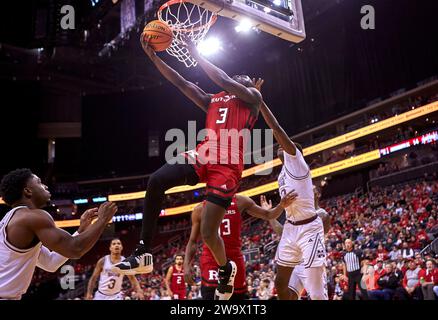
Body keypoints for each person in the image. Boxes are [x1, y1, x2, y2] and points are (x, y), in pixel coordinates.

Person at [114, 29, 263, 301]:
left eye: (245, 79)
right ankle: (144, 250)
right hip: (204, 154)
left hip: (227, 166)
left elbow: (224, 78)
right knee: (156, 180)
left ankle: (224, 268)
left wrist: (195, 52)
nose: (241, 78)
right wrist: (154, 59)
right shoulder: (213, 99)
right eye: (239, 77)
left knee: (208, 232)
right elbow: (182, 83)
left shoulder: (252, 99)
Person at [254, 79, 327, 300]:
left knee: (316, 294)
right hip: (290, 227)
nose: (281, 146)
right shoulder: (282, 174)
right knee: (279, 284)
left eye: (286, 146)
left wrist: (260, 101)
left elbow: (276, 128)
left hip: (309, 229)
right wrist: (275, 208)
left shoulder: (297, 164)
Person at [0, 168, 117, 300]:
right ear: (27, 191)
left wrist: (80, 231)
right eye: (39, 182)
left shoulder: (13, 220)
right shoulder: (32, 217)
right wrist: (102, 220)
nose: (45, 186)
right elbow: (75, 249)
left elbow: (50, 263)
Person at [184, 192, 297, 300]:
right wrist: (186, 265)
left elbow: (268, 215)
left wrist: (281, 206)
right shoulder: (199, 209)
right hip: (211, 261)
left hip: (235, 261)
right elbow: (193, 241)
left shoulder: (240, 201)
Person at [267, 185, 331, 300]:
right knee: (286, 293)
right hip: (296, 262)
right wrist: (270, 216)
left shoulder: (322, 215)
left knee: (318, 297)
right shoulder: (297, 216)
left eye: (313, 189)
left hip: (311, 262)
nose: (308, 190)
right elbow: (283, 233)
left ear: (317, 194)